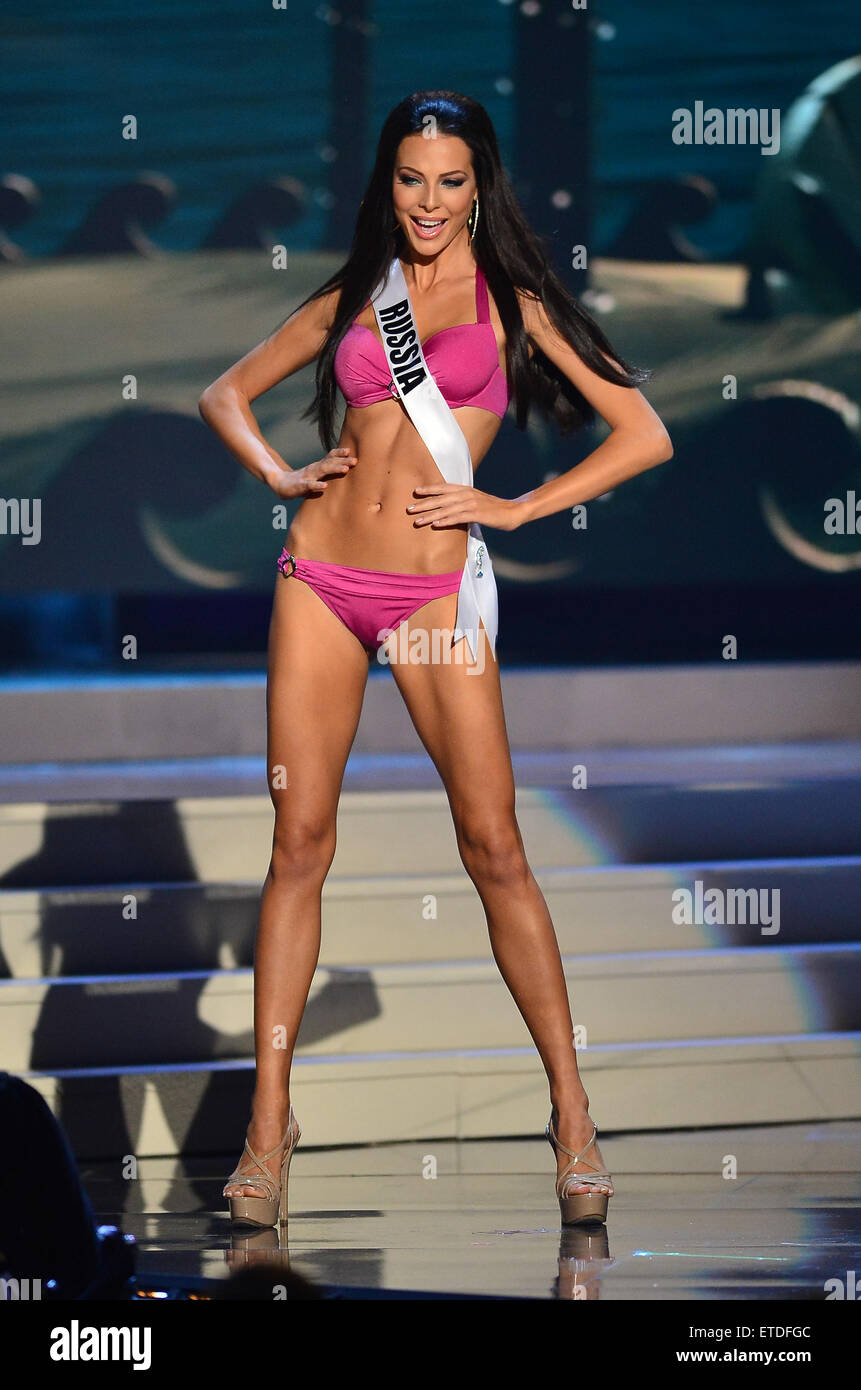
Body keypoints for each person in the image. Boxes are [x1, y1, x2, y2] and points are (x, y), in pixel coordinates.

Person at [199, 89, 672, 1230]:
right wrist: (276, 474)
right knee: (298, 842)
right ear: (390, 181)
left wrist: (519, 508)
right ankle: (271, 1122)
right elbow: (225, 391)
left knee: (495, 846)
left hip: (428, 593)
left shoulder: (514, 302)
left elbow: (644, 429)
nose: (427, 200)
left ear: (479, 187)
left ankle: (569, 1114)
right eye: (410, 178)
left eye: (451, 181)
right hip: (319, 579)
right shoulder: (358, 292)